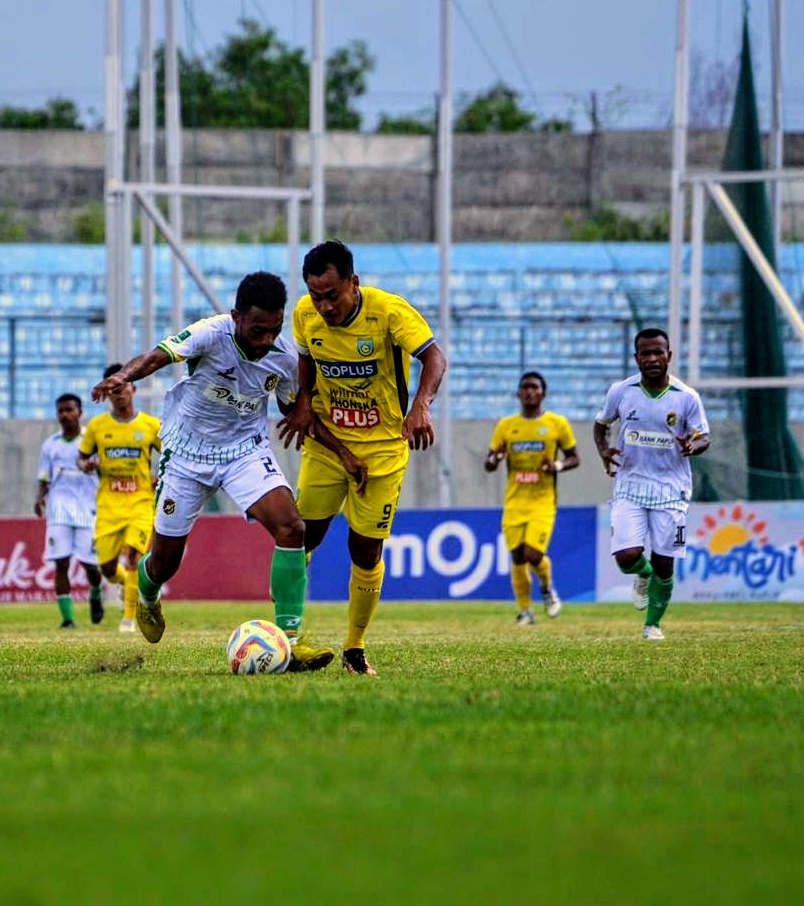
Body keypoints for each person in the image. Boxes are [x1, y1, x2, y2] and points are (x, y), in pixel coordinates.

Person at [91, 271, 337, 671]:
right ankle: (148, 596)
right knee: (164, 563)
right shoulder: (210, 333)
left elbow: (292, 404)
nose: (266, 340)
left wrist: (305, 413)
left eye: (274, 330)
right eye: (257, 330)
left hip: (244, 451)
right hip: (186, 453)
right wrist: (123, 376)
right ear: (237, 317)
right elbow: (158, 355)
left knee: (292, 528)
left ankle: (290, 641)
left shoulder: (284, 357)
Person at [278, 241, 447, 677]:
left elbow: (433, 356)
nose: (324, 306)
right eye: (316, 296)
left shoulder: (388, 312)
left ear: (354, 283)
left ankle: (354, 646)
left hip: (383, 448)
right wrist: (303, 401)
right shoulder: (304, 314)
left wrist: (421, 405)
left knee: (365, 548)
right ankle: (287, 636)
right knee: (300, 537)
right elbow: (305, 358)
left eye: (332, 295)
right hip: (328, 443)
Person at [592, 328, 710, 640]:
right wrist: (604, 450)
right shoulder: (621, 391)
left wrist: (693, 445)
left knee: (664, 562)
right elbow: (601, 424)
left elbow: (704, 436)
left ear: (669, 356)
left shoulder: (686, 396)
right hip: (630, 484)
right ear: (637, 358)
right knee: (627, 557)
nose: (653, 358)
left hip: (671, 489)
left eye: (658, 352)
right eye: (646, 353)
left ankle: (652, 625)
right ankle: (643, 576)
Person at [484, 371, 580, 624]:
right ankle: (525, 611)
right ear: (518, 393)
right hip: (514, 501)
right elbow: (489, 463)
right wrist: (496, 458)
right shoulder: (506, 426)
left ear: (543, 393)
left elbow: (574, 458)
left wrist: (556, 466)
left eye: (534, 387)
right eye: (525, 387)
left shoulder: (556, 424)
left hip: (543, 501)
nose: (529, 391)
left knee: (533, 555)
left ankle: (547, 588)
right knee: (517, 557)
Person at [78, 363, 161, 634]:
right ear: (106, 394)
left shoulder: (151, 426)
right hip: (108, 505)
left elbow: (172, 454)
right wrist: (86, 465)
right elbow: (81, 457)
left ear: (133, 388)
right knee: (107, 568)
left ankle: (129, 618)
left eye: (122, 387)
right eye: (113, 390)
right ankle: (124, 583)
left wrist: (162, 477)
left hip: (140, 502)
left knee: (135, 557)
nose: (119, 393)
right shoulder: (97, 426)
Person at [35, 393, 103, 629]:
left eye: (69, 410)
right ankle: (68, 619)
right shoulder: (50, 444)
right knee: (61, 563)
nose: (64, 415)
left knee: (90, 565)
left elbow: (106, 469)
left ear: (80, 412)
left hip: (88, 507)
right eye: (61, 411)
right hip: (59, 508)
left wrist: (96, 467)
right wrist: (39, 498)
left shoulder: (92, 440)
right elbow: (44, 475)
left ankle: (95, 592)